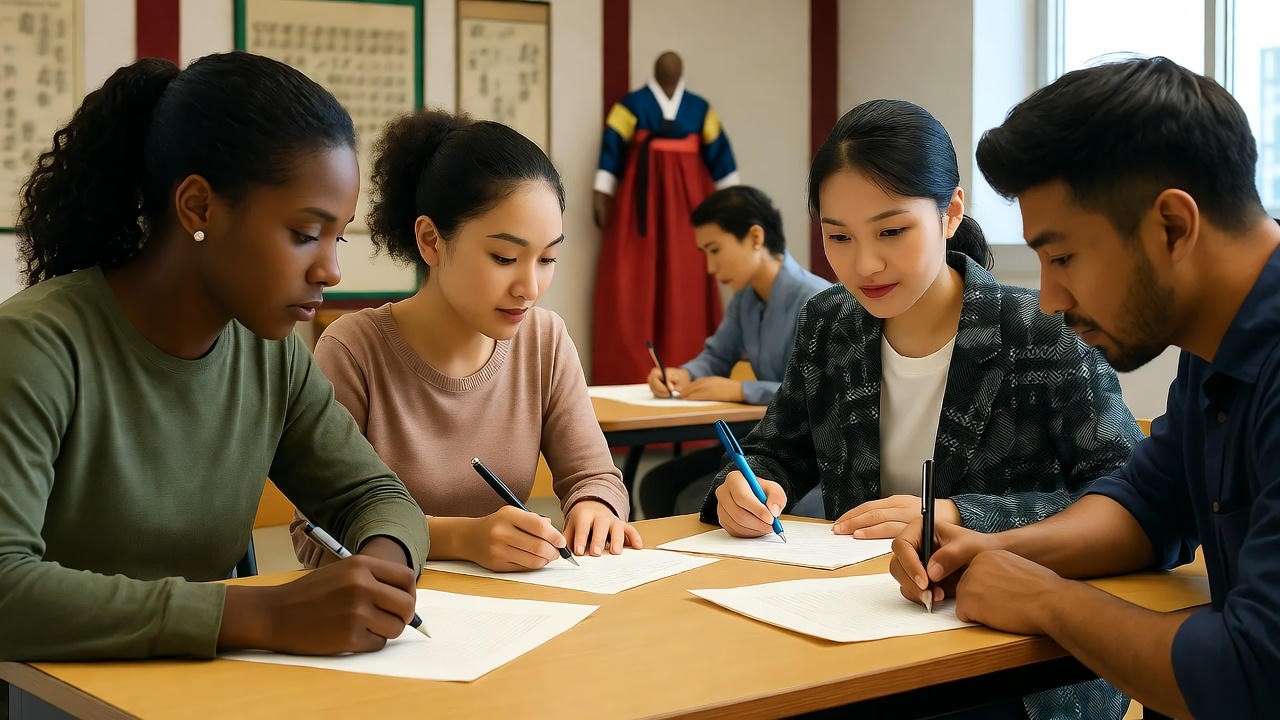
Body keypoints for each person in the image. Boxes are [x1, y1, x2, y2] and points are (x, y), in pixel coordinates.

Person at [702, 100, 1142, 719]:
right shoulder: (829, 323)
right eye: (838, 237)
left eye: (891, 232)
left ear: (950, 213)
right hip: (859, 627)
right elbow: (778, 449)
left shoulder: (1039, 331)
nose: (864, 265)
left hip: (1016, 662)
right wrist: (749, 486)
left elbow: (1124, 498)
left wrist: (959, 515)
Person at [0, 53, 429, 663]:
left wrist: (380, 571)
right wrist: (264, 615)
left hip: (203, 690)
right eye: (305, 234)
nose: (331, 270)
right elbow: (7, 588)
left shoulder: (271, 354)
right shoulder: (35, 347)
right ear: (199, 207)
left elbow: (376, 497)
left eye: (338, 236)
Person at [889, 57, 1280, 720]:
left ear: (1173, 226)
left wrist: (1046, 599)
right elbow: (1146, 505)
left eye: (1063, 257)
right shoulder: (1213, 349)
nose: (1049, 299)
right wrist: (990, 552)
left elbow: (1253, 675)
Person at [292, 111, 640, 572]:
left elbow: (594, 476)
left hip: (520, 606)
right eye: (505, 257)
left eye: (547, 259)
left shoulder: (545, 340)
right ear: (431, 241)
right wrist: (459, 538)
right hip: (396, 608)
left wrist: (595, 507)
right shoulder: (355, 349)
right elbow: (316, 538)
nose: (530, 288)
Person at [638, 185, 830, 518]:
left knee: (691, 499)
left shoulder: (818, 301)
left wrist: (742, 390)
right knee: (657, 484)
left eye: (715, 250)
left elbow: (816, 397)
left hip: (801, 454)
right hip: (757, 439)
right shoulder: (746, 300)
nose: (710, 267)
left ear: (755, 237)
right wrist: (684, 374)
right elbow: (716, 355)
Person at [590, 51, 740, 386]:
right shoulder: (631, 106)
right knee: (634, 281)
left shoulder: (699, 109)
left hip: (688, 206)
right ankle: (629, 376)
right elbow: (611, 149)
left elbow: (721, 157)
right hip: (639, 205)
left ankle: (687, 373)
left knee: (686, 278)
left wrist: (734, 203)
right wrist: (602, 191)